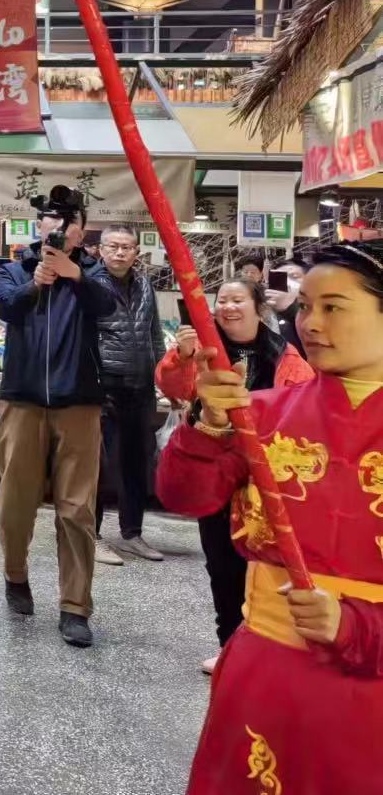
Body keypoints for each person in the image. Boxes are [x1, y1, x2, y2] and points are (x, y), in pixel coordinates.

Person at [157, 243, 383, 794]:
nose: (311, 323)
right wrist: (210, 424)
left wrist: (354, 627)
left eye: (334, 307)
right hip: (264, 674)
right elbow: (184, 498)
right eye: (305, 306)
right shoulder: (263, 414)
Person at [157, 277, 314, 674]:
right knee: (221, 565)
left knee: (260, 565)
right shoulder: (204, 349)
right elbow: (174, 389)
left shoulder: (284, 354)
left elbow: (301, 406)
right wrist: (183, 357)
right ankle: (229, 646)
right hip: (212, 467)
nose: (228, 307)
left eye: (237, 300)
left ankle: (261, 647)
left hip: (263, 476)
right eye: (222, 300)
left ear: (258, 307)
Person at [0, 189, 117, 648]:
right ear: (38, 226)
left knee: (77, 509)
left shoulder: (94, 272)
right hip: (22, 400)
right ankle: (15, 575)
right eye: (49, 218)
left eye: (67, 220)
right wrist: (35, 284)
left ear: (81, 231)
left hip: (79, 403)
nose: (57, 226)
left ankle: (75, 607)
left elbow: (107, 305)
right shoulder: (15, 268)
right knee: (15, 502)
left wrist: (74, 275)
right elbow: (4, 306)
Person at [93, 224, 168, 566]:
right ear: (101, 250)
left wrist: (163, 377)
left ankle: (132, 533)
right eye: (113, 246)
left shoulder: (144, 284)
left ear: (137, 252)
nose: (120, 252)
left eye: (127, 247)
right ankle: (90, 535)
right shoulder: (90, 283)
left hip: (140, 386)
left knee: (137, 462)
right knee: (96, 465)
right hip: (104, 386)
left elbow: (155, 333)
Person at [267, 258, 307, 353]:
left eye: (294, 276)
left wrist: (289, 309)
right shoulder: (263, 313)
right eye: (280, 278)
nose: (288, 283)